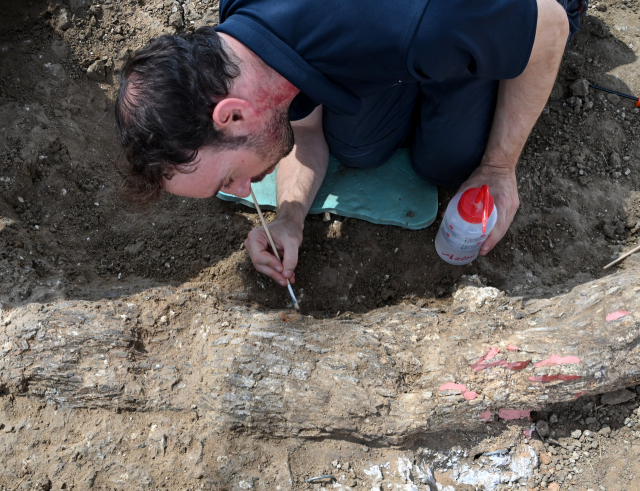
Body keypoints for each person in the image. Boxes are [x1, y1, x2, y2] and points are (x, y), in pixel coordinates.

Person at [115, 0, 584, 288]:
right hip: (420, 34)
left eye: (228, 178)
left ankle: (463, 66)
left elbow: (550, 27)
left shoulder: (420, 23)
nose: (240, 191)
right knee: (356, 145)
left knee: (448, 165)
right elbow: (309, 132)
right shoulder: (239, 41)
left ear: (233, 115)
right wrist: (290, 219)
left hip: (529, 13)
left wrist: (500, 167)